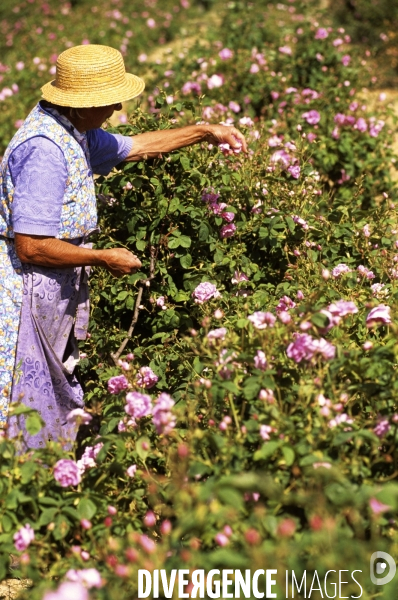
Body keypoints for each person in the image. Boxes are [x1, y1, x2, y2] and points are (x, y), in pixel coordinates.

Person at [0, 44, 247, 450]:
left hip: (50, 287)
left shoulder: (73, 133)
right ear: (80, 104)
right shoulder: (44, 150)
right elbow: (31, 246)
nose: (115, 107)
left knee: (48, 387)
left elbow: (136, 146)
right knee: (27, 397)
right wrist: (101, 258)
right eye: (107, 100)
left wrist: (204, 131)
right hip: (26, 291)